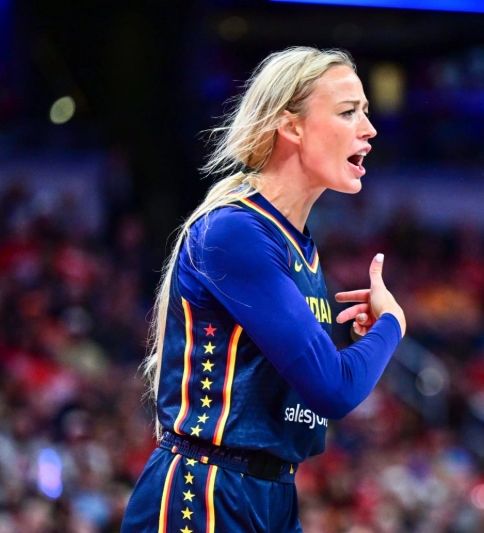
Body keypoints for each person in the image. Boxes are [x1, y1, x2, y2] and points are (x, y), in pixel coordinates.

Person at [121, 47, 407, 532]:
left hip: (270, 493)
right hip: (206, 493)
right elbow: (334, 389)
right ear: (291, 127)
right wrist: (392, 325)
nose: (369, 128)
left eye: (365, 111)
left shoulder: (298, 245)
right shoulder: (236, 231)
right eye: (347, 112)